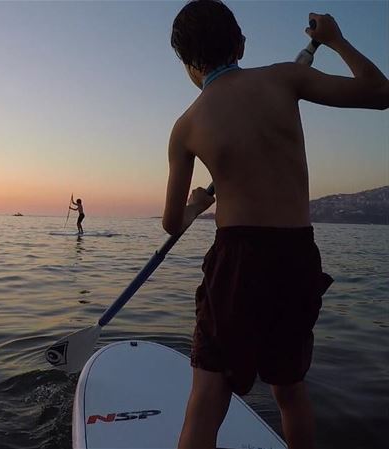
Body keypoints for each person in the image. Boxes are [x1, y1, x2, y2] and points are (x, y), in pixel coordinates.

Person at [163, 1, 388, 448]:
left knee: (207, 400)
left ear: (187, 65)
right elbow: (380, 93)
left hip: (237, 261)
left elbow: (172, 224)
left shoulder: (186, 126)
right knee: (289, 390)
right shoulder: (285, 77)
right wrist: (335, 39)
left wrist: (195, 205)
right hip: (296, 255)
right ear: (241, 44)